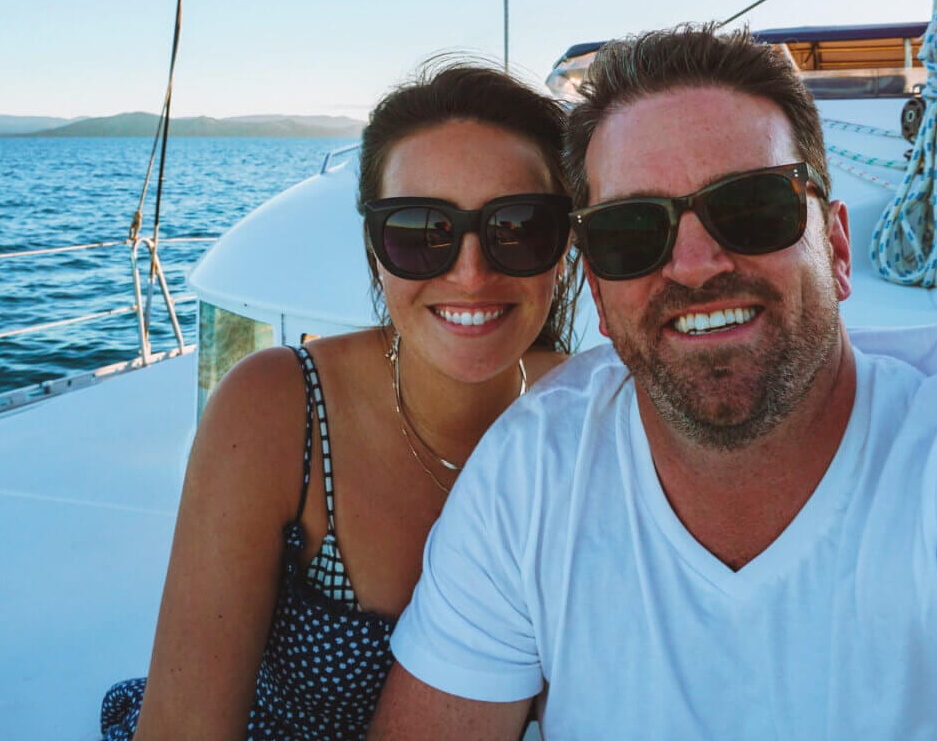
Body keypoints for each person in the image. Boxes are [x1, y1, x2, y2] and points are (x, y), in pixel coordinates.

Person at [370, 24, 937, 739]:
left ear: (839, 249)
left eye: (753, 207)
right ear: (596, 287)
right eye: (634, 230)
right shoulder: (534, 473)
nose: (698, 263)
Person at [100, 62, 579, 741]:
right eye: (420, 231)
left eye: (520, 227)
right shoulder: (280, 413)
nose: (471, 273)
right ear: (374, 249)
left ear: (565, 245)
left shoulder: (593, 415)